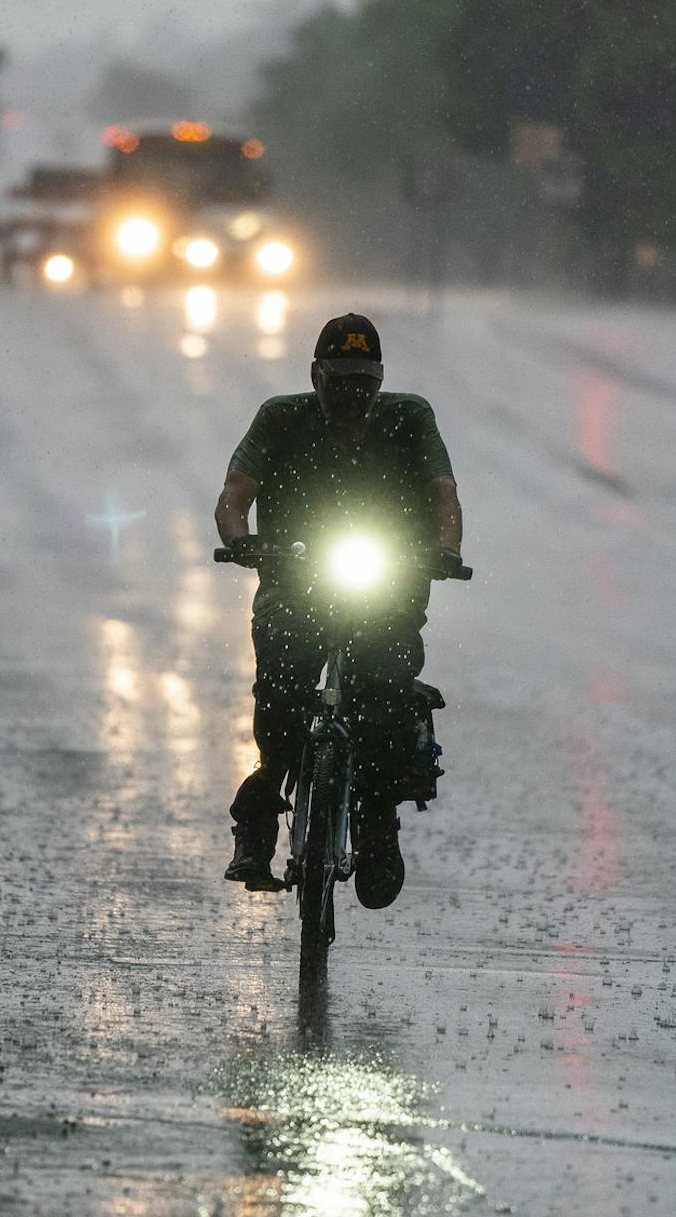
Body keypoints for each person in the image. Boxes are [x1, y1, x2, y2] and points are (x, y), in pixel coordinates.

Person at [214, 312, 464, 909]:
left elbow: (444, 495)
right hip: (293, 580)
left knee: (384, 690)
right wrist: (239, 536)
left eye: (364, 381)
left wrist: (446, 550)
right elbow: (236, 492)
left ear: (380, 381)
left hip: (387, 583)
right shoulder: (280, 417)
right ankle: (260, 815)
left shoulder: (410, 418)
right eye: (339, 379)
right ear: (315, 376)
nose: (353, 392)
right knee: (279, 687)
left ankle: (378, 823)